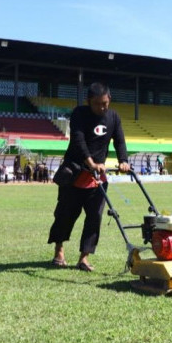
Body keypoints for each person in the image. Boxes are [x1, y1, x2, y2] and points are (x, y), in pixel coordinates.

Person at [47, 82, 131, 272]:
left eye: (105, 103)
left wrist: (123, 160)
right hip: (74, 174)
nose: (102, 108)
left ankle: (84, 257)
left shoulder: (114, 117)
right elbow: (78, 139)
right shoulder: (79, 113)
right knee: (65, 215)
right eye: (98, 104)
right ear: (89, 101)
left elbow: (119, 140)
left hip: (97, 178)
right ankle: (59, 250)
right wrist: (90, 162)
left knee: (94, 218)